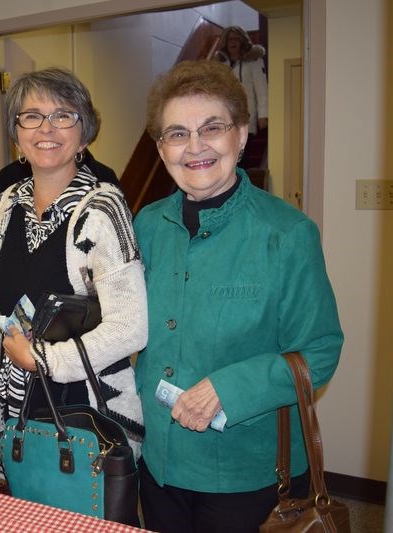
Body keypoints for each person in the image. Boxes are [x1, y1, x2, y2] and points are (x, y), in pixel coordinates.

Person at [133, 60, 343, 532]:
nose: (195, 147)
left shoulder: (287, 234)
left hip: (246, 471)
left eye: (213, 128)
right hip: (160, 460)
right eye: (177, 133)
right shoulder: (145, 225)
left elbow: (321, 351)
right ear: (161, 148)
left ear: (242, 135)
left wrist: (227, 388)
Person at [0, 67, 147, 457]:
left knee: (83, 516)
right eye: (31, 117)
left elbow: (130, 328)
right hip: (16, 407)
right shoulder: (4, 209)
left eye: (62, 116)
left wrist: (43, 360)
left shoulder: (103, 210)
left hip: (88, 410)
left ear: (83, 133)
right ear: (16, 134)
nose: (46, 129)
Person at [214, 25, 268, 169]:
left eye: (237, 39)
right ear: (225, 41)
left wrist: (263, 115)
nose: (233, 42)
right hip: (224, 119)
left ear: (242, 41)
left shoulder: (253, 61)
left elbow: (262, 88)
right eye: (230, 39)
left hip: (245, 118)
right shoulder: (220, 64)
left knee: (241, 159)